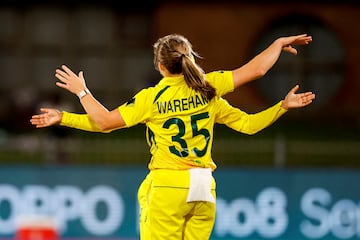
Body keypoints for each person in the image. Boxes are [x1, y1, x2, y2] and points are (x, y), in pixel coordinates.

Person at [30, 34, 315, 239]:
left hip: (169, 188)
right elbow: (257, 77)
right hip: (204, 190)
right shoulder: (209, 89)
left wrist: (81, 92)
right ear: (190, 58)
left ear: (161, 66)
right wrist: (280, 97)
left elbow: (105, 122)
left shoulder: (152, 98)